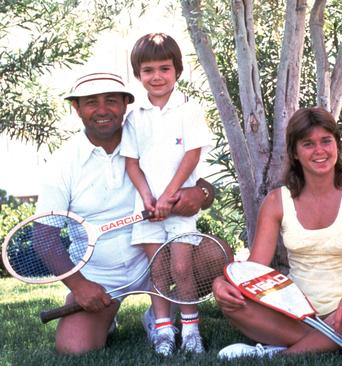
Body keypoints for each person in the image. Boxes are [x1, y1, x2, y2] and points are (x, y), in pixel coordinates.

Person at [36, 71, 214, 355]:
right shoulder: (62, 162)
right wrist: (80, 285)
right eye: (91, 102)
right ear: (77, 108)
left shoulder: (151, 135)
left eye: (111, 101)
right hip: (101, 276)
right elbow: (44, 235)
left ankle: (160, 313)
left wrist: (200, 194)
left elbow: (201, 184)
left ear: (125, 105)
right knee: (74, 347)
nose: (103, 110)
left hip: (157, 258)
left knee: (218, 257)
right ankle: (107, 314)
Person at [213, 107, 342, 359]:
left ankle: (280, 353)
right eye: (308, 144)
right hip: (294, 313)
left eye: (326, 141)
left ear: (337, 145)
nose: (319, 151)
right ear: (295, 153)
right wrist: (221, 284)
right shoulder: (277, 201)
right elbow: (256, 269)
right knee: (235, 305)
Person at [120, 33, 213, 356]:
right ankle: (163, 332)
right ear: (138, 74)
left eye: (164, 68)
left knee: (182, 269)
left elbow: (192, 157)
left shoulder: (189, 109)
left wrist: (169, 197)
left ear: (177, 71)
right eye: (148, 70)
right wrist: (147, 197)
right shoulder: (134, 116)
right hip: (147, 209)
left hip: (179, 208)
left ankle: (190, 330)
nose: (157, 76)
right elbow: (132, 163)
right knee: (157, 271)